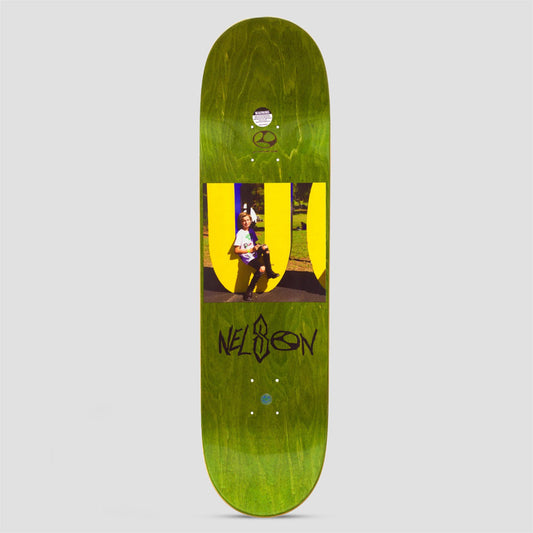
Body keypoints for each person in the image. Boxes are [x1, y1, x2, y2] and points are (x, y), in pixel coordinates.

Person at [234, 212, 279, 301]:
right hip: (247, 257)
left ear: (250, 221)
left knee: (265, 247)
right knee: (261, 268)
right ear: (241, 222)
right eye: (244, 221)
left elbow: (253, 243)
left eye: (248, 220)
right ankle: (249, 291)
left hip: (253, 253)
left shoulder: (251, 231)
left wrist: (257, 246)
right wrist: (250, 250)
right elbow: (236, 250)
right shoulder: (240, 233)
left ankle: (269, 272)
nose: (246, 222)